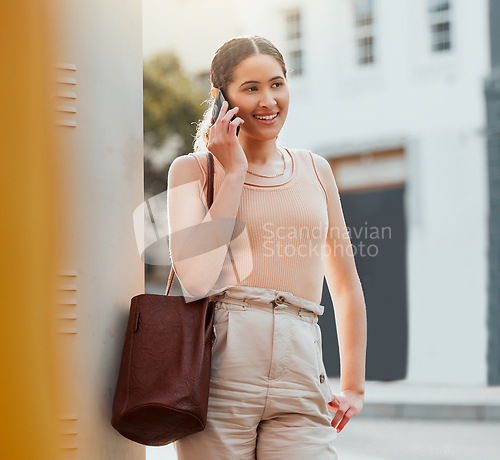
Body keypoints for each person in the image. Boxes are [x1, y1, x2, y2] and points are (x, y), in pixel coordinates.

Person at [167, 35, 367, 460]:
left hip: (301, 365)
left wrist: (354, 384)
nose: (268, 100)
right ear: (222, 97)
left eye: (276, 84)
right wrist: (233, 173)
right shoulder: (191, 171)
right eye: (251, 88)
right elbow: (197, 280)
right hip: (220, 372)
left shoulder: (316, 170)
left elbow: (346, 285)